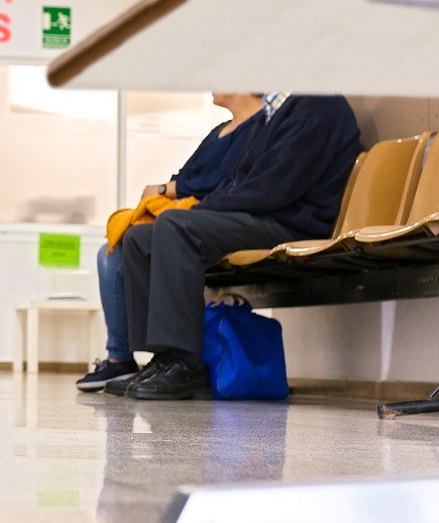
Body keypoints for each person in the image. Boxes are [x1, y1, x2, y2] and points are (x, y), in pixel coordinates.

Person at [110, 93, 362, 400]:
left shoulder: (319, 104)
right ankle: (162, 358)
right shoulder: (281, 111)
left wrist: (200, 211)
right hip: (266, 215)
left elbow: (273, 190)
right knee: (139, 239)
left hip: (291, 223)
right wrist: (202, 209)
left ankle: (185, 363)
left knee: (175, 225)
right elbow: (240, 182)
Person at [76, 94, 263, 391]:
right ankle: (151, 357)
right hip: (193, 217)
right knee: (124, 243)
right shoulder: (218, 132)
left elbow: (224, 182)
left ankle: (180, 360)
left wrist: (166, 188)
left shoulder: (261, 128)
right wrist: (171, 188)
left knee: (160, 232)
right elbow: (187, 175)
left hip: (217, 217)